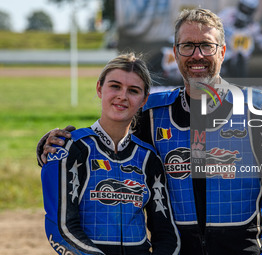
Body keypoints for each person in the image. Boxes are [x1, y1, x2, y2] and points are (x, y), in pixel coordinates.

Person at [37, 8, 262, 255]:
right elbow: (109, 147)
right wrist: (52, 146)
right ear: (175, 53)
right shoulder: (153, 113)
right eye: (188, 46)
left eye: (206, 46)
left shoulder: (261, 110)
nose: (197, 55)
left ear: (223, 51)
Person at [40, 53, 180, 255]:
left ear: (144, 100)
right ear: (99, 88)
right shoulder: (70, 149)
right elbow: (61, 229)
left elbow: (166, 234)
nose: (122, 96)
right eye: (115, 86)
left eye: (133, 91)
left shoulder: (149, 158)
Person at [218, 0, 262, 77]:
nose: (245, 11)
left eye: (248, 9)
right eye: (244, 8)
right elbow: (212, 25)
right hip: (223, 55)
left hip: (241, 62)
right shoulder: (227, 14)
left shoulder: (253, 27)